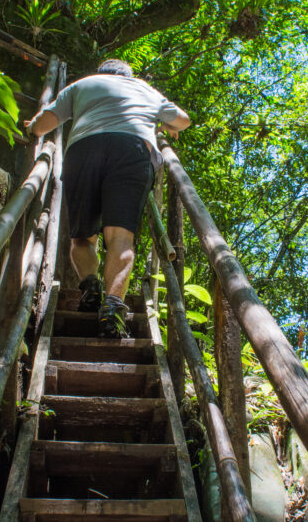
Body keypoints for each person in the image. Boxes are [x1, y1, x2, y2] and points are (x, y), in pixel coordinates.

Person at [24, 59, 191, 338]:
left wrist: (31, 129)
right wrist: (162, 127)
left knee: (82, 237)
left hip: (84, 150)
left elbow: (44, 124)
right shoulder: (144, 88)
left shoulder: (83, 85)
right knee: (121, 238)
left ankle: (90, 288)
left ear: (100, 72)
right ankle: (112, 312)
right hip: (132, 149)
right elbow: (183, 120)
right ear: (128, 75)